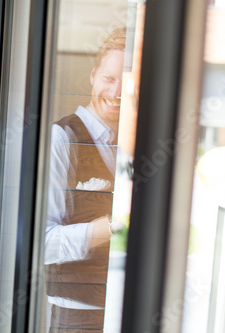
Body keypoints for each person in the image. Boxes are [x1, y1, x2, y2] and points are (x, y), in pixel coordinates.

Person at [44, 27, 126, 330]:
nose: (116, 92)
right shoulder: (61, 138)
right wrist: (106, 229)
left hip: (123, 306)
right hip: (76, 314)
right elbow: (42, 242)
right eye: (109, 78)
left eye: (126, 81)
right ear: (93, 75)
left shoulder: (133, 145)